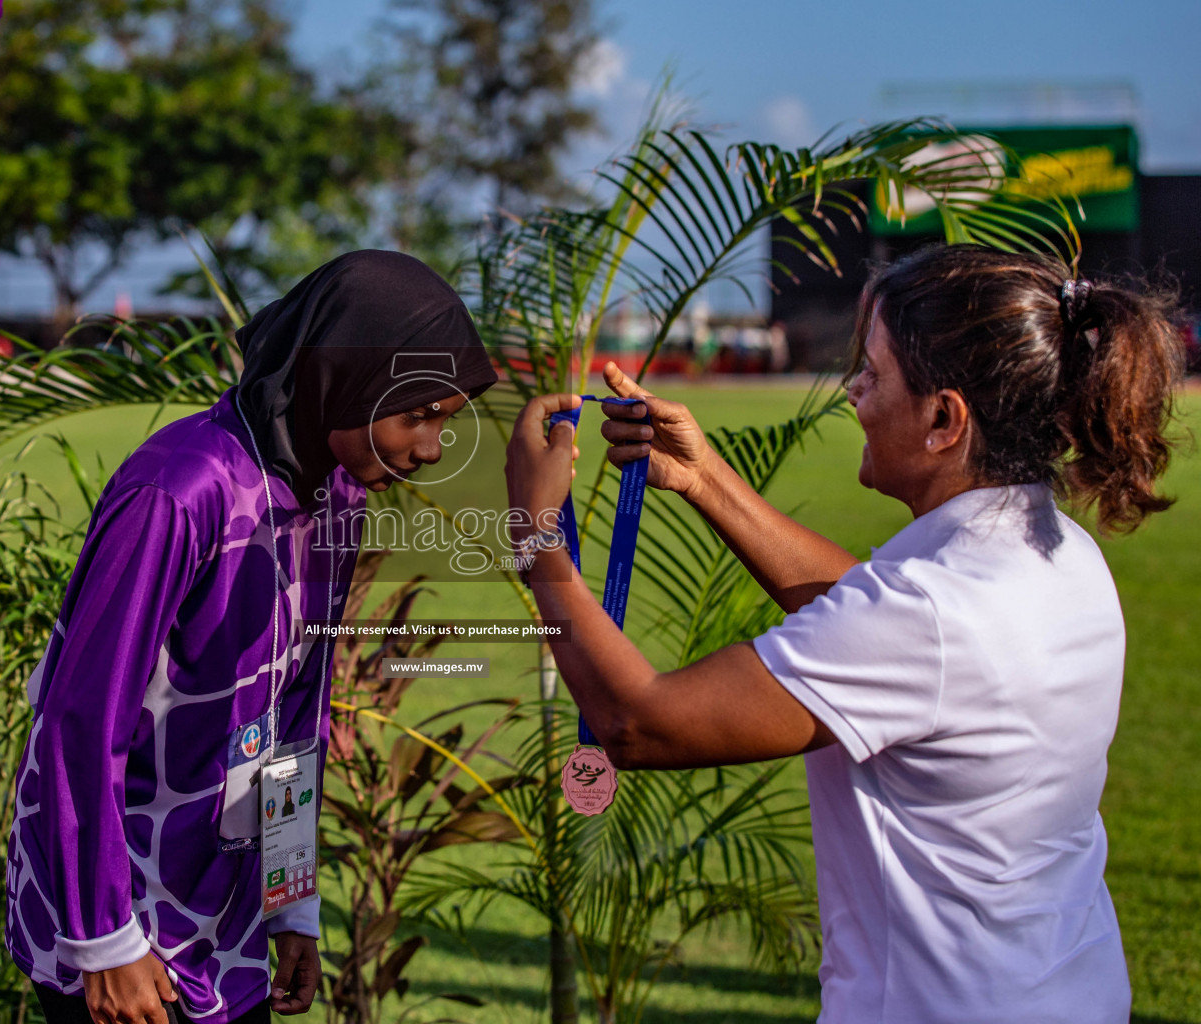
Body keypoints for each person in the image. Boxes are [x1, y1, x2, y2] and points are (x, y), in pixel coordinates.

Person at [504, 244, 1185, 1023]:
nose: (853, 393)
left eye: (872, 372)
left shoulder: (927, 613)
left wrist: (535, 532)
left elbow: (638, 722)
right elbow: (875, 617)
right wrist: (702, 478)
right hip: (1071, 991)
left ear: (943, 419)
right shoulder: (1059, 552)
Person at [6, 250, 496, 1024]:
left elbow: (296, 716)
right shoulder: (181, 489)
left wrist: (291, 901)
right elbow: (77, 722)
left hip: (222, 924)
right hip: (117, 913)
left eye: (445, 420)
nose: (432, 448)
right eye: (419, 414)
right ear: (345, 379)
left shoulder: (337, 501)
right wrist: (104, 941)